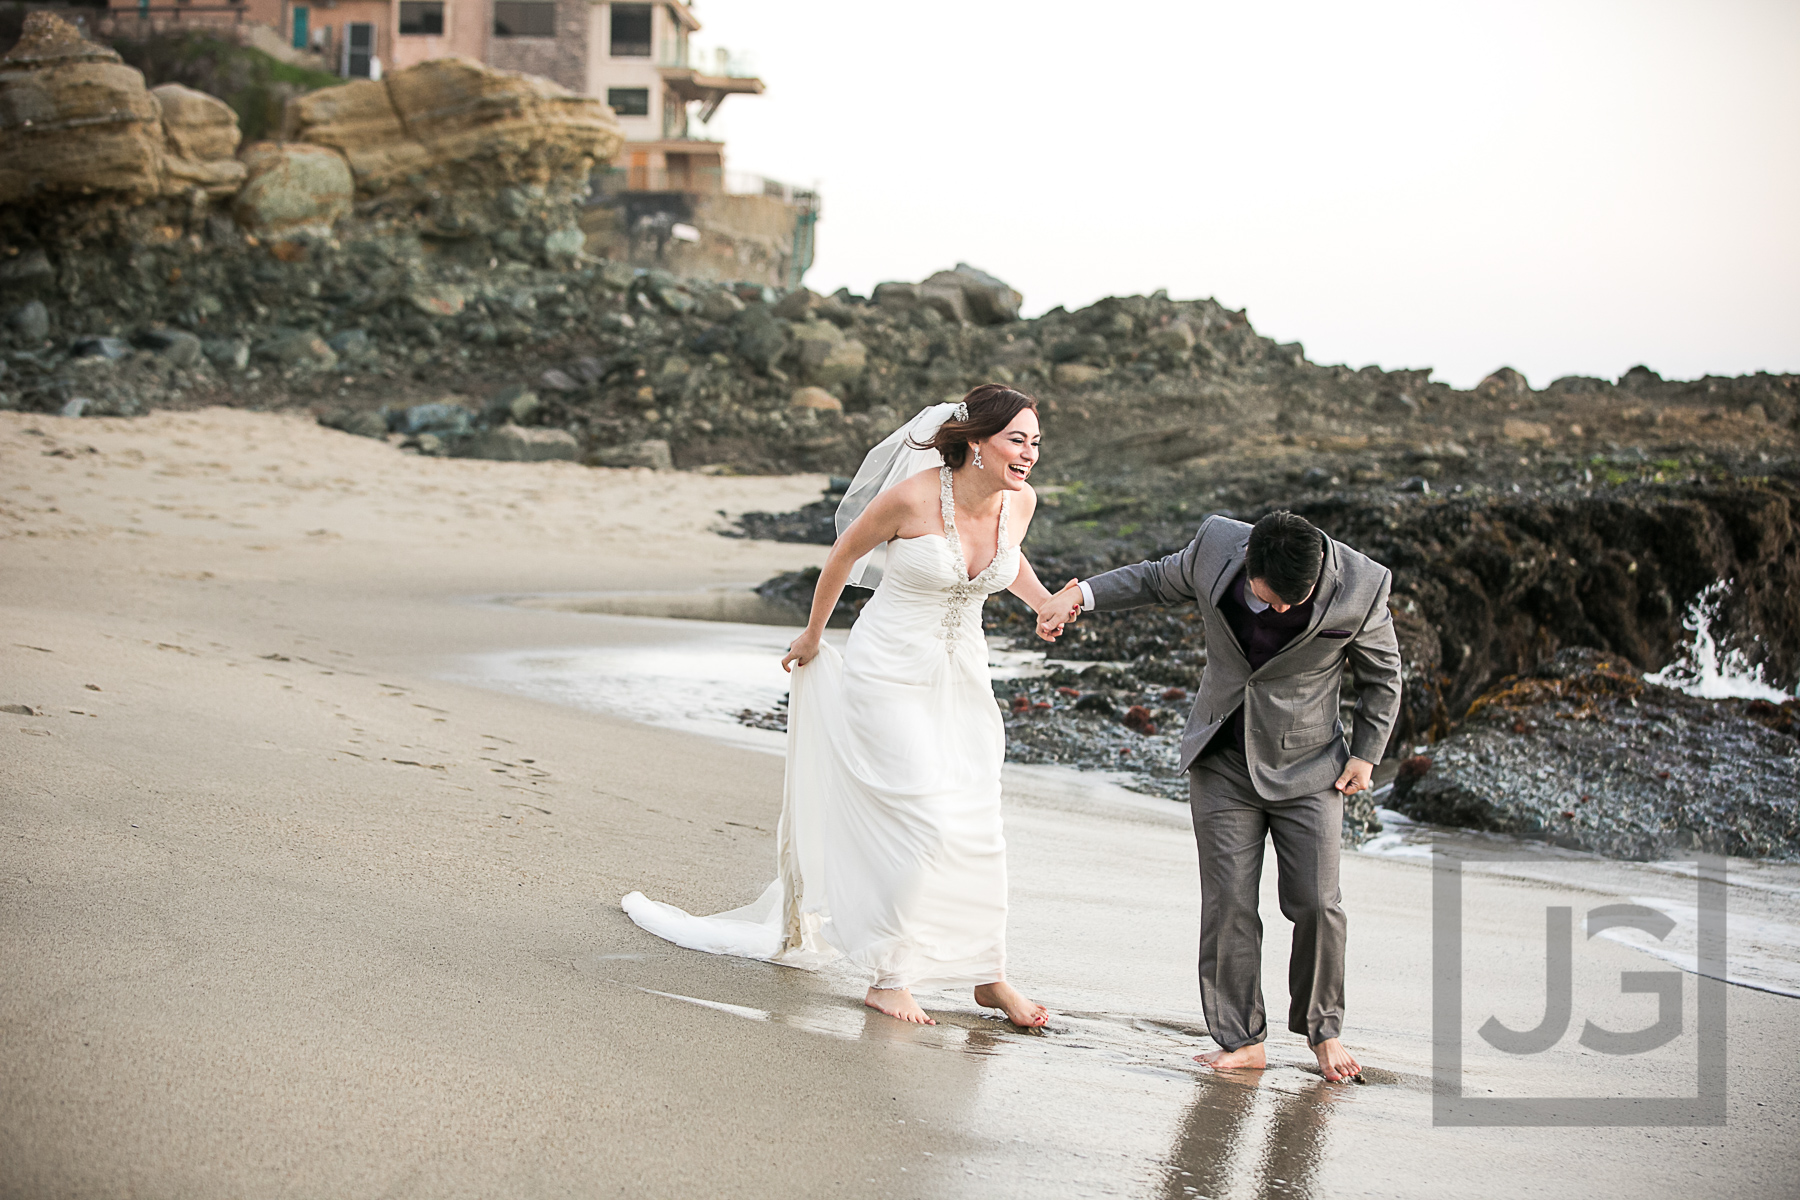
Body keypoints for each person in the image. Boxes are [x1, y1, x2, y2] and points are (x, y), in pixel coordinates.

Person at [623, 385, 1069, 1028]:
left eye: (1035, 442)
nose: (1029, 453)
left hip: (963, 675)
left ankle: (988, 974)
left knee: (978, 817)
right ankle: (891, 978)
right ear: (977, 442)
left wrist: (1043, 601)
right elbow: (845, 555)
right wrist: (812, 634)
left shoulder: (1020, 503)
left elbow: (1007, 560)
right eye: (1016, 439)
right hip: (888, 670)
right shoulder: (913, 496)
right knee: (925, 814)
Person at [1037, 510, 1401, 1081]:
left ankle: (1322, 1033)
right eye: (1271, 597)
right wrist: (1079, 594)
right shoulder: (1215, 546)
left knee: (1316, 903)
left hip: (1310, 767)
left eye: (1295, 600)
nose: (1282, 609)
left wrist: (1366, 752)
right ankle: (1241, 1040)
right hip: (1221, 761)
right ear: (1248, 561)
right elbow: (1155, 579)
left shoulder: (1362, 584)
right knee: (1229, 901)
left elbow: (1383, 673)